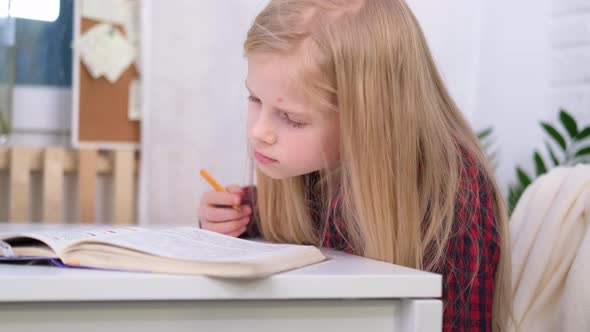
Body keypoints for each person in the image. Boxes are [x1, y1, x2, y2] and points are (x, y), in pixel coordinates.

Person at [198, 0, 512, 330]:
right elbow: (301, 222)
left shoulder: (451, 195)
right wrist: (235, 213)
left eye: (291, 118)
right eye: (254, 99)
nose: (259, 132)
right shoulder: (318, 168)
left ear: (370, 118)